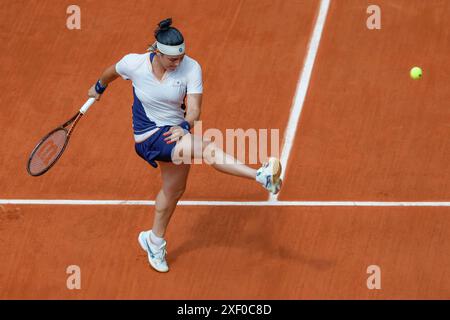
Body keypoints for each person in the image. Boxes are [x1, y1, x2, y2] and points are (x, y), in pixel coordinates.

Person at [88, 18, 282, 273]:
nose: (178, 63)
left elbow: (194, 109)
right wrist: (98, 87)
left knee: (174, 190)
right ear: (156, 52)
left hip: (177, 132)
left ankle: (154, 242)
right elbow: (112, 72)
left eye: (181, 58)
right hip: (148, 135)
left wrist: (186, 126)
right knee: (206, 147)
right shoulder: (133, 63)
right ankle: (260, 176)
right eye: (172, 60)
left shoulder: (191, 68)